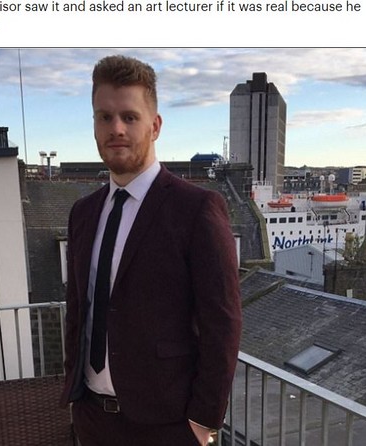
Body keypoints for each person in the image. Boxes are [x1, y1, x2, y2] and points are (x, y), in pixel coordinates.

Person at [60, 55, 242, 446]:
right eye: (104, 117)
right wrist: (75, 397)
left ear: (155, 125)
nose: (116, 129)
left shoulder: (196, 209)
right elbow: (78, 309)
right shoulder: (83, 213)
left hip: (167, 427)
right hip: (93, 419)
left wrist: (203, 421)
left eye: (129, 117)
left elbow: (222, 323)